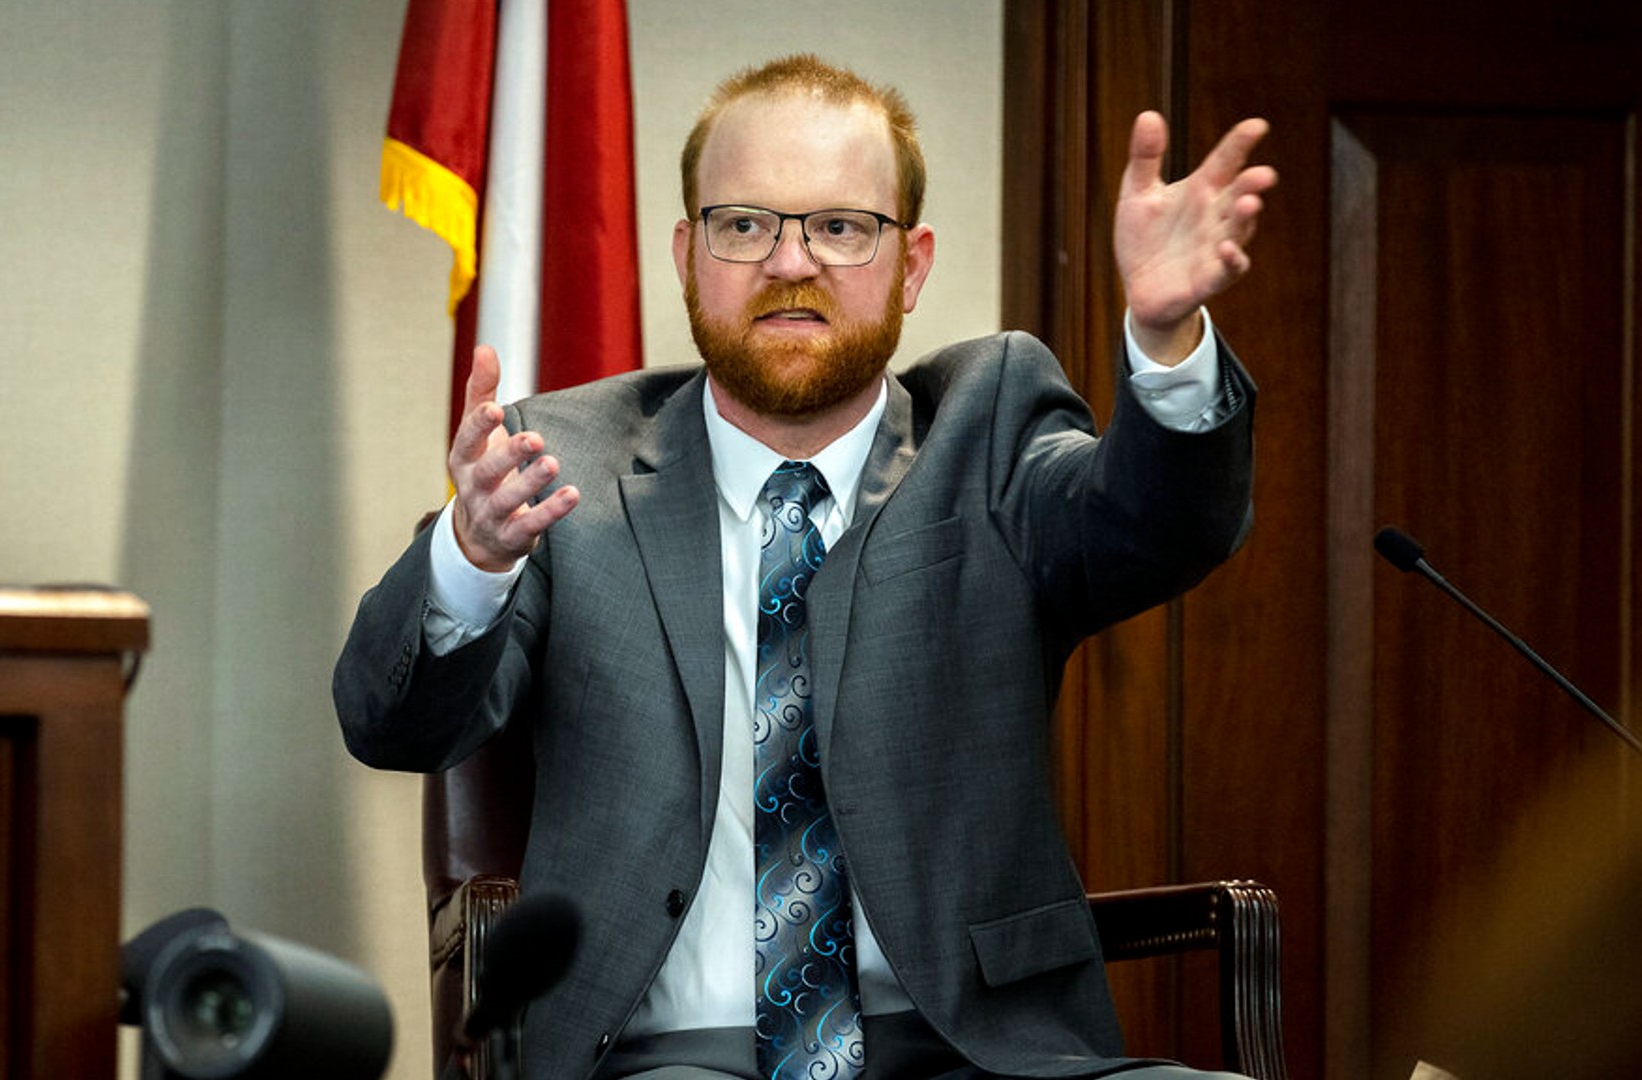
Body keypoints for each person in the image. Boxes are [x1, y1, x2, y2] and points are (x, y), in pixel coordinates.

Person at [336, 54, 1274, 1080]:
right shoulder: (565, 467)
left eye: (840, 226)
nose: (791, 262)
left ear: (911, 265)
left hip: (978, 1053)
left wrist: (1165, 338)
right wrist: (470, 561)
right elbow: (396, 726)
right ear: (689, 255)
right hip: (659, 1058)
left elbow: (1158, 527)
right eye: (746, 225)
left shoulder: (989, 427)